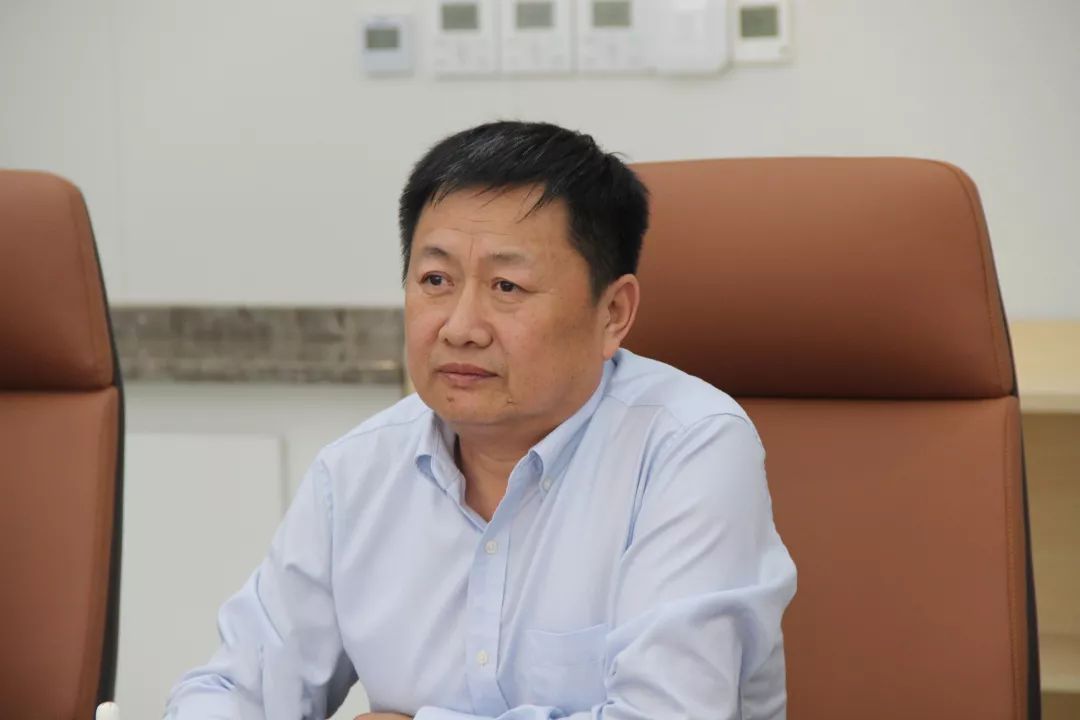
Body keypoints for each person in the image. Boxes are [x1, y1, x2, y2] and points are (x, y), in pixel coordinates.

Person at [165, 121, 797, 720]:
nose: (460, 327)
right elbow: (231, 687)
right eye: (435, 279)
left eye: (507, 287)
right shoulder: (357, 470)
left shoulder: (688, 448)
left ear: (613, 313)